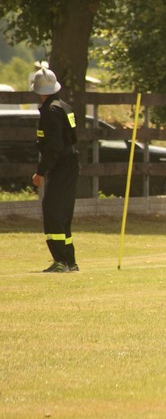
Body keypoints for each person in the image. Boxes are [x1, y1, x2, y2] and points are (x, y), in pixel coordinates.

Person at [30, 64, 80, 272]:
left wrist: (41, 171)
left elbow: (54, 146)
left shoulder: (50, 111)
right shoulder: (64, 106)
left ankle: (60, 261)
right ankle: (69, 261)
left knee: (52, 210)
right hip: (70, 163)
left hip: (61, 164)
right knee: (62, 212)